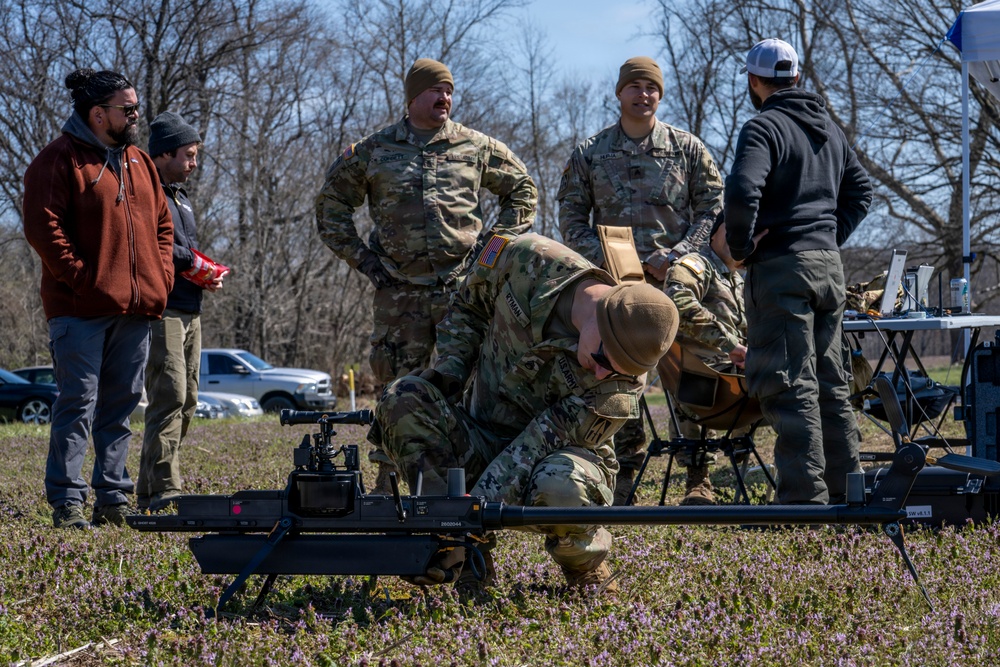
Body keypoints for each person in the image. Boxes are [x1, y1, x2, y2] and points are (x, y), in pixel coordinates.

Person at [370, 233, 679, 592]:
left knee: (562, 485)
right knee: (402, 398)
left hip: (555, 456)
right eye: (601, 359)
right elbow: (469, 306)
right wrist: (451, 372)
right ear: (599, 311)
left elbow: (533, 447)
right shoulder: (528, 259)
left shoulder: (620, 389)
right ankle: (466, 559)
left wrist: (463, 525)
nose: (601, 375)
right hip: (477, 430)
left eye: (617, 372)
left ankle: (582, 565)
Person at [316, 58, 537, 492]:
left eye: (450, 91)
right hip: (399, 291)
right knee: (395, 383)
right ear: (413, 97)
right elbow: (331, 205)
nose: (445, 98)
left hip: (463, 290)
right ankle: (386, 477)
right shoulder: (375, 150)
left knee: (470, 379)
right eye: (436, 90)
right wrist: (363, 259)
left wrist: (490, 253)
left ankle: (464, 476)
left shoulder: (474, 147)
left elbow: (523, 191)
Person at [557, 56, 724, 503]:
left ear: (660, 94)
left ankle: (697, 476)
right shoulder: (591, 153)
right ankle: (624, 474)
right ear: (619, 93)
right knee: (621, 374)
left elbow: (713, 209)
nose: (643, 94)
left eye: (651, 87)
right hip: (619, 289)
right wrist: (606, 259)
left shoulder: (687, 149)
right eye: (634, 86)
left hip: (677, 284)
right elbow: (571, 217)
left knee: (692, 374)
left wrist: (681, 255)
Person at [22, 68, 174, 528]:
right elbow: (42, 227)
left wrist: (160, 278)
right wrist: (83, 279)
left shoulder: (141, 162)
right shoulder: (58, 159)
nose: (135, 116)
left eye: (135, 108)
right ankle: (68, 502)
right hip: (80, 311)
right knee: (77, 405)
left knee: (122, 406)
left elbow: (162, 227)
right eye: (127, 109)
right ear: (97, 114)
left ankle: (113, 498)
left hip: (136, 310)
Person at [724, 39, 873, 505]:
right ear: (796, 79)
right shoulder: (829, 128)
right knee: (831, 383)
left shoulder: (763, 128)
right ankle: (848, 493)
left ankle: (802, 504)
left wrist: (741, 247)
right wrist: (826, 238)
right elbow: (861, 193)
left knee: (790, 385)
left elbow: (744, 188)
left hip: (782, 270)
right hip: (828, 270)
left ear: (754, 81)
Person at [137, 111, 223, 513]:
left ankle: (147, 488)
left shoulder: (180, 198)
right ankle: (165, 488)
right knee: (168, 395)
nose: (193, 164)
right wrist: (192, 262)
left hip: (192, 309)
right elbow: (148, 242)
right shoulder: (145, 190)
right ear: (164, 153)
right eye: (188, 155)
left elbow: (179, 251)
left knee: (188, 401)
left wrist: (204, 271)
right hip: (163, 309)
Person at [662, 215, 748, 505]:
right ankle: (698, 480)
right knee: (697, 379)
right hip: (702, 375)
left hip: (740, 375)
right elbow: (677, 300)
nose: (738, 233)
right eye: (730, 228)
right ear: (713, 235)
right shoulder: (697, 264)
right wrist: (731, 344)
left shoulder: (738, 278)